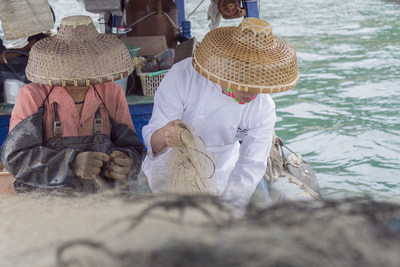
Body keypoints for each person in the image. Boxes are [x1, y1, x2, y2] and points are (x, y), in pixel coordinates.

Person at [142, 17, 299, 205]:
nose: (253, 93)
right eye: (246, 84)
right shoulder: (183, 77)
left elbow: (250, 166)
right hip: (167, 174)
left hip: (221, 175)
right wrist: (165, 135)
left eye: (260, 85)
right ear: (227, 71)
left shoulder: (263, 108)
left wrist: (231, 209)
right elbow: (153, 138)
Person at [0, 15, 143, 193]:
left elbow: (133, 149)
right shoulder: (33, 96)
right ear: (58, 62)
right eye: (73, 65)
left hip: (103, 199)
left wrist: (127, 161)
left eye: (86, 64)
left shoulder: (111, 92)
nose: (80, 74)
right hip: (47, 204)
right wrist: (71, 163)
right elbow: (16, 158)